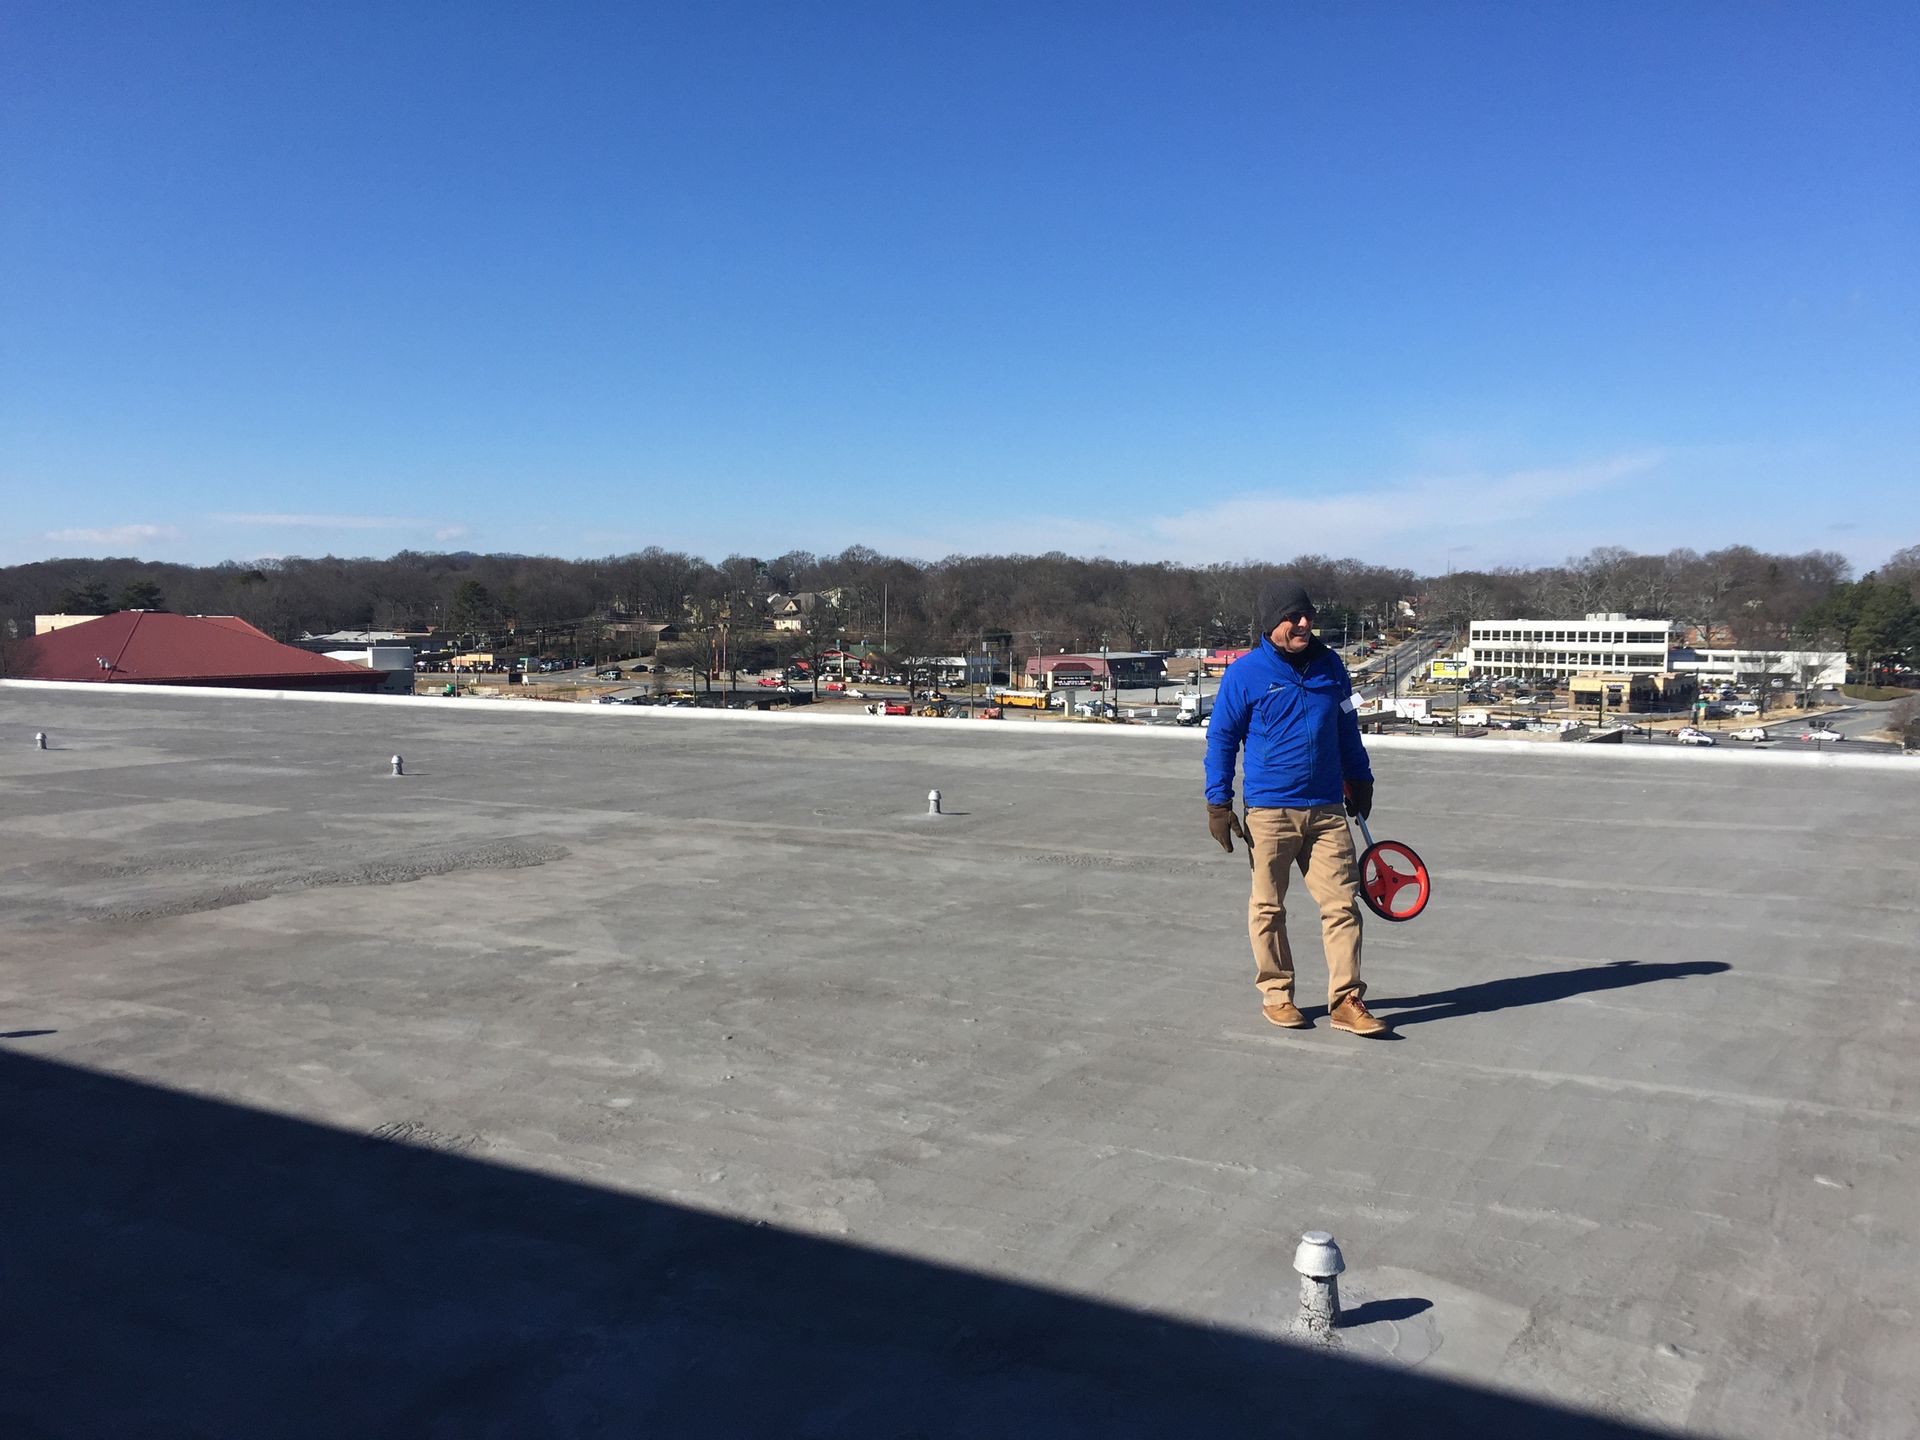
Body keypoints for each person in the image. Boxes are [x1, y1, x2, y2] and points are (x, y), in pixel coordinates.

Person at [1203, 579, 1389, 1037]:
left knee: (1342, 905)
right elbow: (1222, 738)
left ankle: (1347, 1001)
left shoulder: (1330, 666)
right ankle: (1278, 994)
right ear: (1271, 624)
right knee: (1268, 907)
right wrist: (1218, 801)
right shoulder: (1245, 674)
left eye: (1307, 615)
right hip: (1270, 810)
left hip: (1327, 808)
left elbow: (1347, 726)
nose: (1304, 623)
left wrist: (1359, 776)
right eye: (1293, 617)